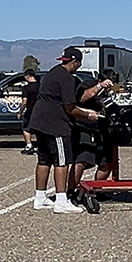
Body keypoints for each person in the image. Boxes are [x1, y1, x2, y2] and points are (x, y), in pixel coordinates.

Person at [28, 47, 100, 214]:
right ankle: (61, 200)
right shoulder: (67, 78)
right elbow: (70, 107)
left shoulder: (53, 73)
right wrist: (88, 115)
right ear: (76, 62)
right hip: (56, 124)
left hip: (40, 121)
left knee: (43, 160)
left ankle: (39, 198)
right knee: (62, 161)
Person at [68, 70, 116, 198]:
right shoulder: (88, 85)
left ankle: (97, 189)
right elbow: (82, 98)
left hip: (103, 129)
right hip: (84, 127)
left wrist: (118, 91)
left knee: (106, 163)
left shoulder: (112, 92)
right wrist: (100, 86)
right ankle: (71, 191)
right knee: (82, 160)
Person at [19, 69, 40, 155]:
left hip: (30, 110)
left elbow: (24, 101)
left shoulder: (26, 88)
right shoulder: (41, 86)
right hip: (41, 110)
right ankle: (41, 146)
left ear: (28, 76)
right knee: (40, 129)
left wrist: (20, 111)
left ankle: (29, 145)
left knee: (26, 128)